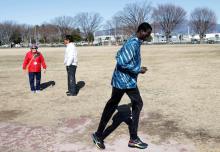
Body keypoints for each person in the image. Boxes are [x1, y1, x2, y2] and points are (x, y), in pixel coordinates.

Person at [92, 22, 152, 149]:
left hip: (127, 81)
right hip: (123, 81)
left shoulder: (134, 41)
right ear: (141, 31)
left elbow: (118, 54)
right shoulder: (133, 43)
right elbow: (121, 62)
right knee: (113, 105)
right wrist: (138, 69)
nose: (148, 36)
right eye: (147, 33)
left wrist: (136, 68)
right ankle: (99, 135)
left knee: (135, 103)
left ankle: (133, 138)